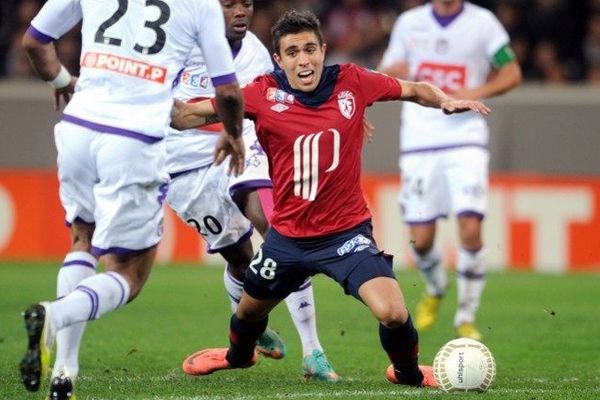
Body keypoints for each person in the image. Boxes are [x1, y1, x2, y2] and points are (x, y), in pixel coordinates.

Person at [170, 9, 489, 386]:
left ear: (323, 50)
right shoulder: (260, 93)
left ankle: (406, 374)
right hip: (286, 239)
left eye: (309, 49)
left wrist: (445, 100)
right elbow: (188, 116)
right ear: (279, 59)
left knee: (393, 313)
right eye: (292, 52)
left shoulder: (353, 81)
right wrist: (147, 102)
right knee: (248, 316)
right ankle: (237, 358)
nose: (303, 60)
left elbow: (415, 89)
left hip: (345, 236)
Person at [18, 0, 245, 399]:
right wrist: (234, 131)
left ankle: (65, 370)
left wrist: (62, 83)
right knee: (129, 272)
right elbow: (226, 89)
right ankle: (54, 313)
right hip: (133, 137)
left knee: (81, 240)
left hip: (79, 127)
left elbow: (35, 42)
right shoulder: (201, 5)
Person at [165, 0, 338, 381]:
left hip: (241, 149)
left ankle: (314, 351)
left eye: (246, 3)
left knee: (278, 232)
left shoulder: (258, 54)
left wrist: (341, 114)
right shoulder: (175, 43)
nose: (240, 11)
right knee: (241, 259)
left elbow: (289, 93)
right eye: (229, 4)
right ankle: (251, 325)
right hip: (183, 164)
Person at [378, 0, 522, 340]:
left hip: (465, 137)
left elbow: (511, 71)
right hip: (420, 139)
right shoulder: (409, 23)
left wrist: (477, 91)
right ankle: (436, 286)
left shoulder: (483, 23)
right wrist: (396, 69)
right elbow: (387, 70)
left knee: (470, 228)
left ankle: (466, 317)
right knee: (422, 240)